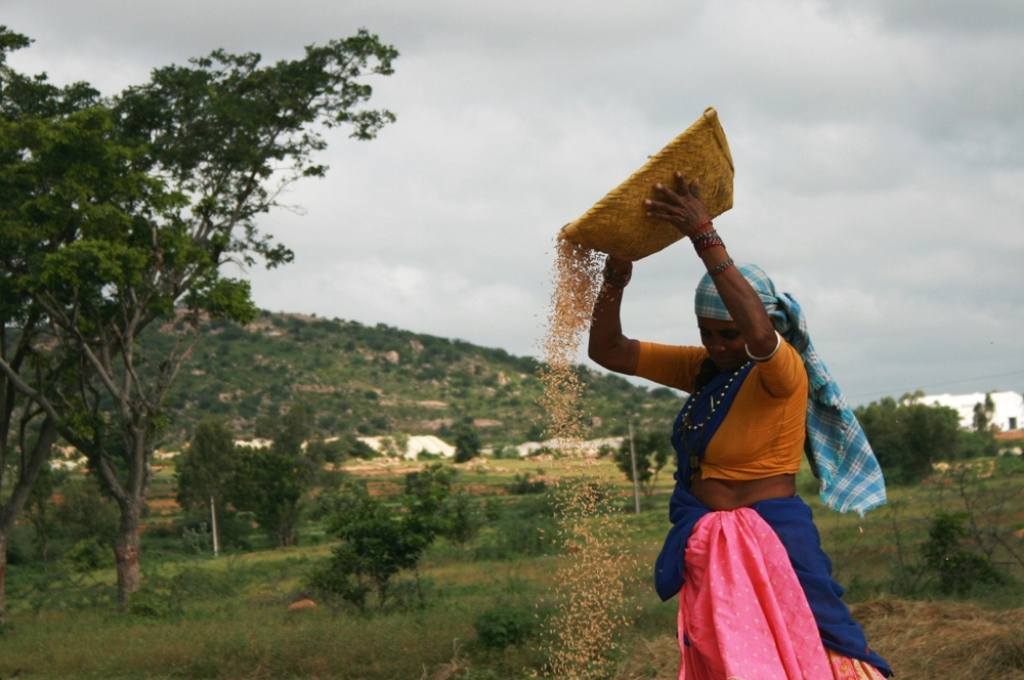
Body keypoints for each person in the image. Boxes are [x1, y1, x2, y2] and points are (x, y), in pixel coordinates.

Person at [588, 173, 892, 679]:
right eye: (707, 334)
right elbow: (608, 350)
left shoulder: (781, 372)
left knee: (823, 644)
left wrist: (704, 237)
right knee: (731, 661)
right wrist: (615, 278)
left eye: (728, 334)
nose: (719, 345)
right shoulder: (706, 368)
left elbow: (759, 337)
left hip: (773, 538)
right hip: (711, 543)